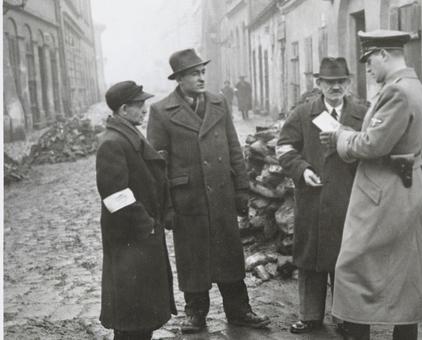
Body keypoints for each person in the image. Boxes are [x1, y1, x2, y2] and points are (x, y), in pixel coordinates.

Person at [320, 30, 422, 340]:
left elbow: (373, 145)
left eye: (370, 60)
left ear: (384, 54)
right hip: (405, 186)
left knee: (352, 270)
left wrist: (340, 137)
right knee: (403, 273)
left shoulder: (397, 92)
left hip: (385, 191)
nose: (368, 67)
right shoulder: (412, 87)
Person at [147, 48, 270, 334]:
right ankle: (196, 312)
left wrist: (241, 188)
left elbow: (233, 147)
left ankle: (239, 309)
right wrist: (165, 206)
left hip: (221, 194)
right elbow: (157, 164)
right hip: (187, 198)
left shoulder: (219, 102)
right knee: (193, 257)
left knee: (229, 253)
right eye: (194, 74)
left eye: (202, 72)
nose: (201, 78)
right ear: (179, 79)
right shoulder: (161, 111)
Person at [276, 57, 367, 334]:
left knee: (346, 259)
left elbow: (373, 149)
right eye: (330, 82)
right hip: (312, 197)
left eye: (341, 81)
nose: (336, 87)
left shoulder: (362, 114)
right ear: (319, 84)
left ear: (348, 83)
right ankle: (310, 315)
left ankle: (344, 315)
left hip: (349, 197)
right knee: (310, 258)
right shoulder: (304, 114)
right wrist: (302, 170)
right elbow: (284, 148)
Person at [96, 81, 177, 340]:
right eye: (139, 105)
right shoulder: (113, 142)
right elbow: (114, 195)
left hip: (140, 238)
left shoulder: (128, 134)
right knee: (131, 317)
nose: (144, 109)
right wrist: (147, 224)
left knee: (141, 313)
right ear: (123, 109)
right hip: (130, 238)